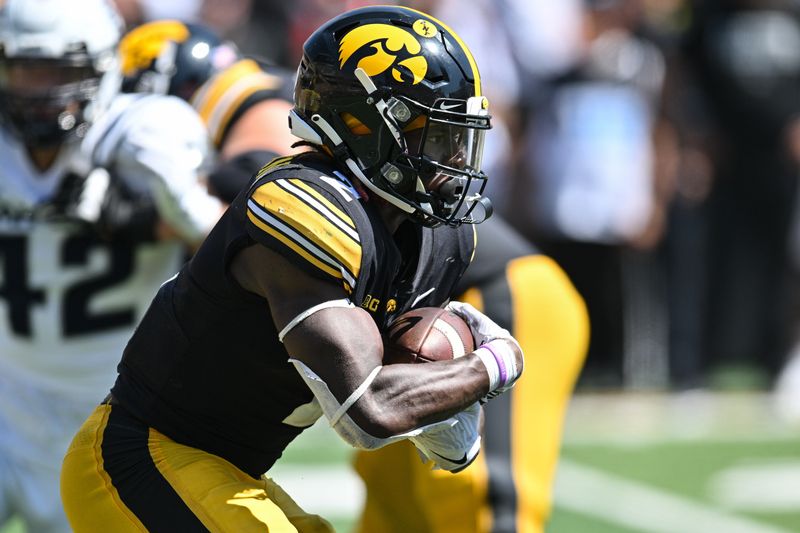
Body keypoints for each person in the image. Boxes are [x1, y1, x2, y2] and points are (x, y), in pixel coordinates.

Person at [60, 5, 525, 531]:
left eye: (459, 138)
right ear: (363, 126)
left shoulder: (439, 237)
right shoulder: (301, 204)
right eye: (433, 136)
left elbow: (450, 450)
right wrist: (496, 364)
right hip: (141, 458)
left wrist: (450, 388)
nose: (455, 162)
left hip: (232, 471)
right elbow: (367, 411)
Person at [0, 0, 226, 532]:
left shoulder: (141, 133)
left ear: (104, 67)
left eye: (59, 71)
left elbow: (226, 241)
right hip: (8, 399)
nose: (38, 91)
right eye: (23, 70)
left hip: (109, 411)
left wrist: (150, 213)